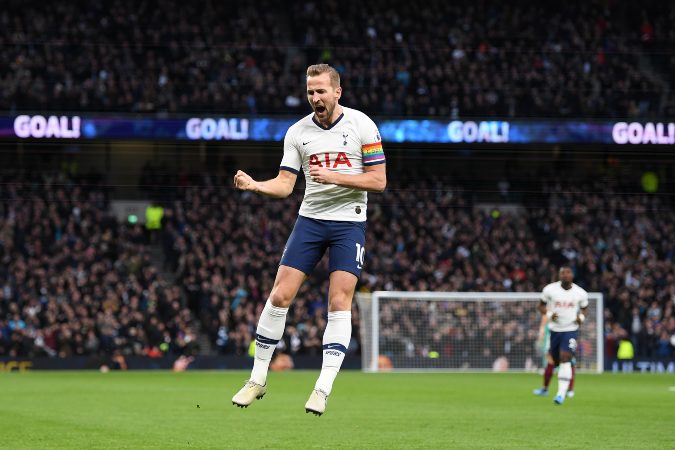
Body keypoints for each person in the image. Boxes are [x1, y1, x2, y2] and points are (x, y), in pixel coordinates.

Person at [231, 63, 386, 416]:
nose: (315, 98)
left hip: (349, 223)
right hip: (310, 221)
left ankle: (322, 387)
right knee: (280, 294)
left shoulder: (362, 125)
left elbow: (378, 181)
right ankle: (257, 378)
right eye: (310, 92)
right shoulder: (298, 132)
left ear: (337, 92)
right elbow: (285, 185)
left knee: (339, 300)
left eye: (321, 91)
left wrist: (334, 177)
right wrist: (256, 185)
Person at [537, 266, 588, 405]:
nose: (565, 275)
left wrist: (581, 318)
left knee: (566, 358)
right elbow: (540, 306)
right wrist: (548, 314)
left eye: (568, 273)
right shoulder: (550, 290)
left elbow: (584, 308)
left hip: (571, 329)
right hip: (555, 331)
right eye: (562, 273)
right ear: (559, 275)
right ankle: (546, 388)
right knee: (554, 360)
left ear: (572, 275)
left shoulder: (580, 293)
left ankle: (561, 394)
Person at [533, 313, 576, 398]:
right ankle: (546, 389)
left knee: (569, 363)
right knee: (556, 362)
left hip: (566, 338)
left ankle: (569, 390)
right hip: (557, 341)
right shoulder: (551, 321)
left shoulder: (558, 315)